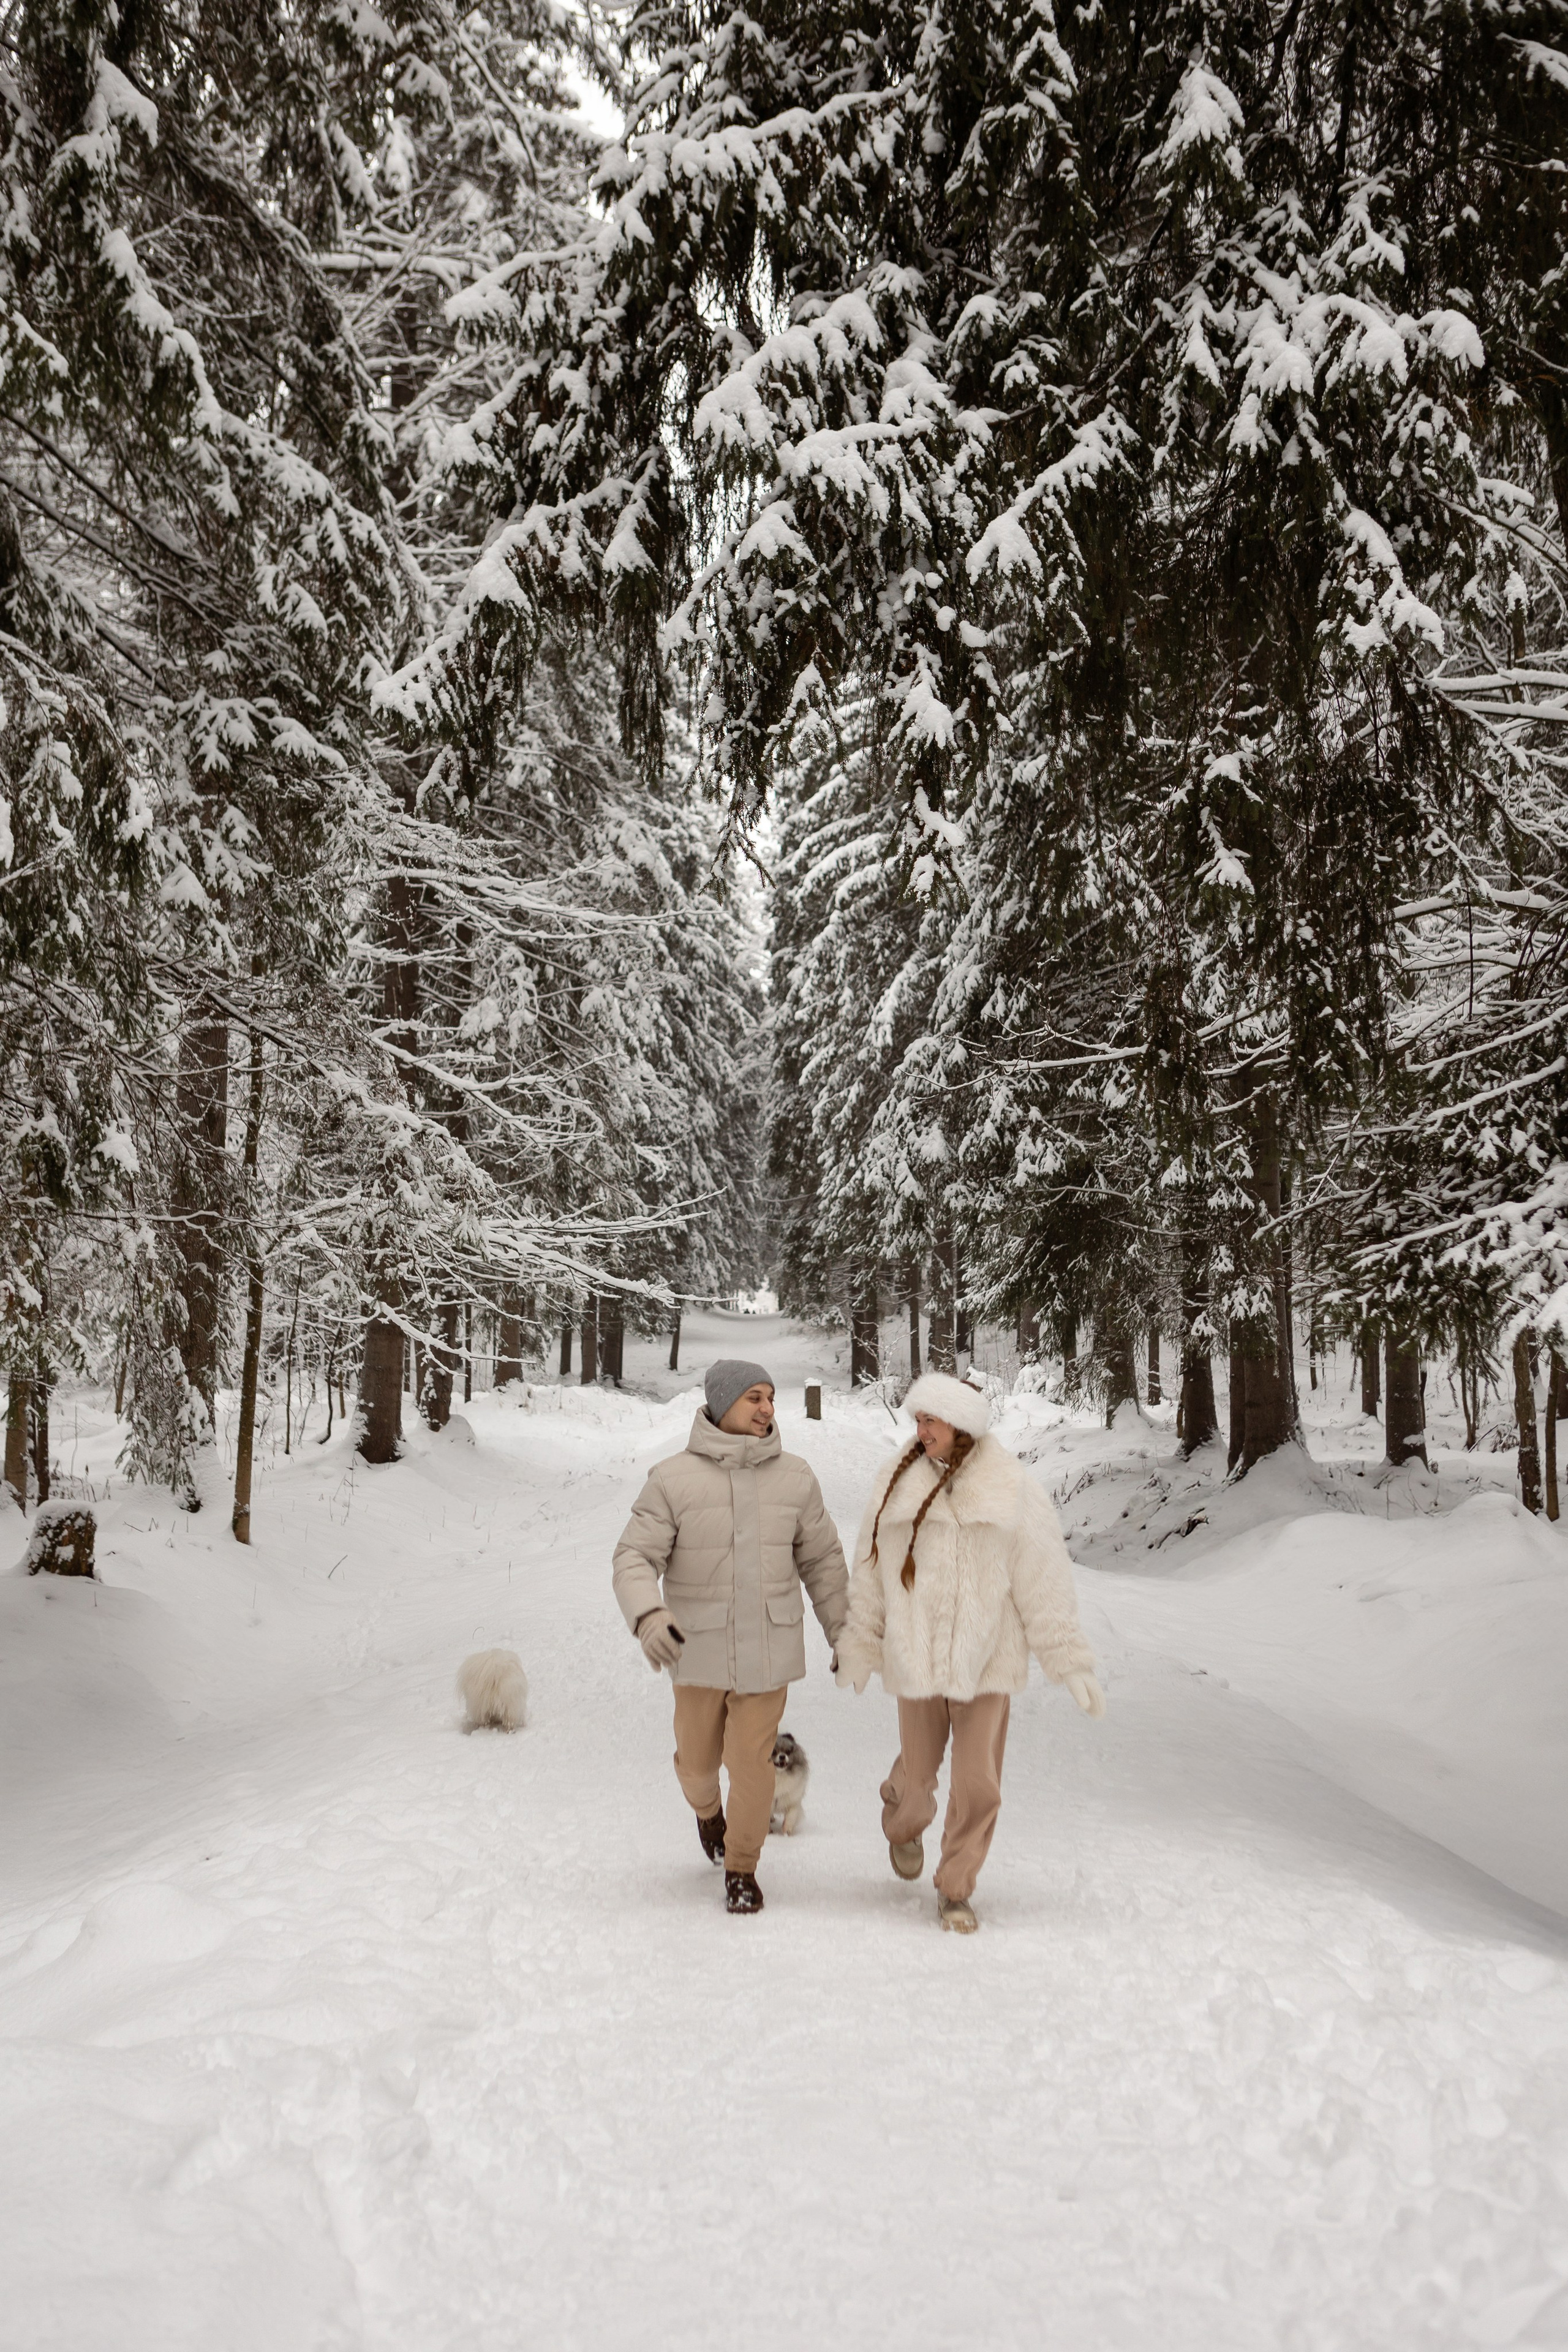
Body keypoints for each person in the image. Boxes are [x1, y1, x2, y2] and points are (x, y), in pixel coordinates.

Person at [835, 1370, 1105, 1933]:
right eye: (918, 1419)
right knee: (918, 1780)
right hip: (918, 1658)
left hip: (988, 1660)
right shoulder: (896, 1481)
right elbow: (870, 1569)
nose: (920, 1429)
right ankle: (902, 1817)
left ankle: (956, 1888)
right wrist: (861, 1642)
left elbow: (1044, 1578)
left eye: (929, 1419)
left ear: (960, 1424)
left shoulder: (1013, 1487)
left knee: (979, 1783)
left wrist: (1069, 1659)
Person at [612, 1359, 848, 1915]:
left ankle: (742, 1866)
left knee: (751, 1764)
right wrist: (649, 1616)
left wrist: (846, 1633)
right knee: (697, 1765)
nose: (768, 1408)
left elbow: (823, 1562)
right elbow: (634, 1556)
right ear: (722, 1404)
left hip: (769, 1650)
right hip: (697, 1652)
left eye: (771, 1398)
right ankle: (706, 1815)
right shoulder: (672, 1479)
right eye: (754, 1398)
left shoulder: (796, 1477)